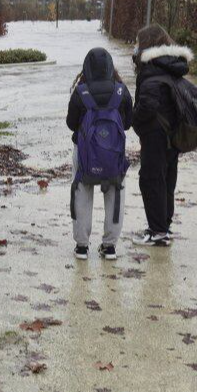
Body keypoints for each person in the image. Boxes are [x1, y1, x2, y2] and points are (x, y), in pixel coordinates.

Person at [67, 48, 133, 261]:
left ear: (86, 68)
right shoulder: (121, 92)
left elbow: (71, 124)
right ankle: (109, 246)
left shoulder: (81, 92)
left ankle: (82, 247)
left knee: (82, 194)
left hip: (85, 156)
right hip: (114, 154)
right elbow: (128, 124)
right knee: (116, 195)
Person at [131, 25, 193, 247]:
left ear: (147, 44)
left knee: (150, 180)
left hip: (156, 136)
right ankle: (163, 226)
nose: (135, 47)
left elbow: (146, 106)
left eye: (138, 42)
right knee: (166, 180)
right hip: (171, 135)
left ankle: (158, 232)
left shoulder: (153, 72)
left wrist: (132, 119)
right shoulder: (170, 67)